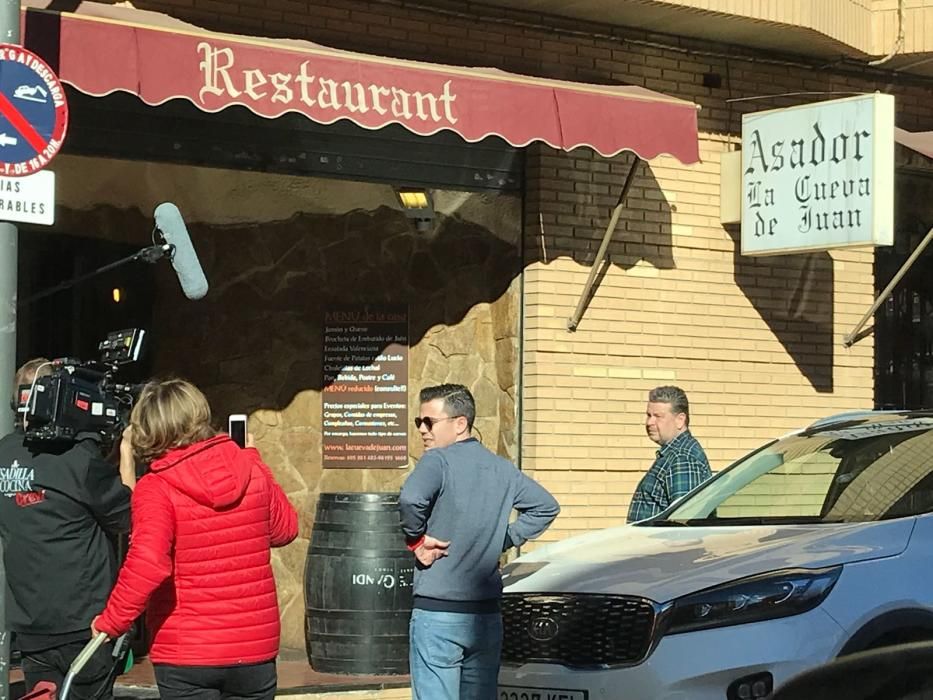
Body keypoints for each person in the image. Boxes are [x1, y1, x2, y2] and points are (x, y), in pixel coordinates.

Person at [91, 378, 298, 700]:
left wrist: (111, 621)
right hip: (253, 650)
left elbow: (147, 562)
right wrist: (255, 461)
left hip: (186, 651)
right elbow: (285, 530)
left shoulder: (156, 488)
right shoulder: (251, 468)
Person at [399, 383, 560, 700]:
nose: (422, 430)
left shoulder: (437, 461)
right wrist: (503, 539)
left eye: (429, 421)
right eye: (419, 422)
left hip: (438, 615)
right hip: (485, 618)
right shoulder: (501, 468)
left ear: (460, 423)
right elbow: (546, 507)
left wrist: (416, 541)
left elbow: (411, 498)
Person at [0, 358, 136, 700]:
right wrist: (127, 453)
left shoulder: (4, 453)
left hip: (30, 624)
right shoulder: (78, 459)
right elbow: (130, 515)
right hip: (84, 626)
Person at [627, 385, 711, 522]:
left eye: (658, 416)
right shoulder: (673, 454)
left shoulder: (682, 458)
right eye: (648, 415)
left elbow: (684, 524)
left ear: (680, 420)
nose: (649, 422)